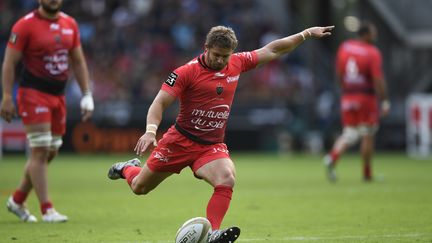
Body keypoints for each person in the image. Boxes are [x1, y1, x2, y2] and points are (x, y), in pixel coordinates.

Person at [108, 25, 333, 242]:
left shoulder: (236, 63)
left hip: (209, 146)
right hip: (180, 141)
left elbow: (273, 49)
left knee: (227, 178)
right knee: (140, 187)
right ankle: (126, 167)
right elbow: (159, 103)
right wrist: (150, 131)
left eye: (225, 56)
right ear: (205, 47)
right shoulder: (186, 72)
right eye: (216, 55)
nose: (220, 60)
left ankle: (213, 233)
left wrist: (305, 34)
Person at [1, 0, 94, 222]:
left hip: (58, 96)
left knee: (50, 151)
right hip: (33, 93)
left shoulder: (70, 23)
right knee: (40, 150)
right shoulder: (25, 25)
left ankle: (17, 199)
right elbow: (9, 62)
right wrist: (6, 96)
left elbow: (78, 61)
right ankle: (47, 209)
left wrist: (87, 93)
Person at [323, 21, 390, 182]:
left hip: (348, 96)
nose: (375, 35)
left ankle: (332, 157)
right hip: (366, 97)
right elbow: (378, 79)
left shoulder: (345, 47)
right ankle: (367, 174)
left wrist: (345, 91)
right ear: (366, 34)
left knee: (350, 134)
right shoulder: (372, 52)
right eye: (373, 32)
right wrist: (385, 101)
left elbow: (339, 73)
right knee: (368, 134)